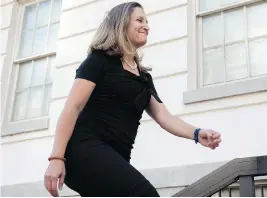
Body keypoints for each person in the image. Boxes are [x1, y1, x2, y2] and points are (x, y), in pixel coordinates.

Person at [44, 2, 221, 197]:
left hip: (116, 158)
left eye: (147, 21)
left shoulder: (144, 78)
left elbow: (165, 117)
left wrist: (197, 133)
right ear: (121, 24)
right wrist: (56, 158)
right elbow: (72, 107)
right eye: (139, 20)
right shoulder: (99, 60)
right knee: (144, 193)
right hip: (85, 150)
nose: (146, 25)